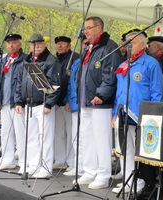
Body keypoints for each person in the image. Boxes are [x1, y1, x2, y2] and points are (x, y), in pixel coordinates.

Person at [111, 30, 163, 194]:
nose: (128, 46)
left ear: (142, 44)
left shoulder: (150, 63)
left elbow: (157, 91)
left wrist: (152, 116)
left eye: (131, 43)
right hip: (123, 114)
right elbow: (119, 92)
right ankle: (128, 179)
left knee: (140, 152)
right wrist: (114, 114)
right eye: (126, 43)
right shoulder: (124, 65)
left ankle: (140, 182)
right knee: (125, 150)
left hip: (141, 116)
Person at [74, 16, 123, 189]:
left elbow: (110, 75)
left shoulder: (109, 47)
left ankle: (103, 174)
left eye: (89, 28)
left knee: (101, 139)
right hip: (86, 99)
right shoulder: (90, 48)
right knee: (87, 137)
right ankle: (90, 171)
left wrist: (101, 94)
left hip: (100, 101)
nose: (85, 31)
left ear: (99, 28)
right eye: (85, 28)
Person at [14, 33, 59, 178]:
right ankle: (33, 166)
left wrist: (49, 103)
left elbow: (55, 84)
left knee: (45, 137)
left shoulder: (51, 61)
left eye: (39, 43)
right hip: (29, 104)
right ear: (29, 45)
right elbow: (20, 82)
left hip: (43, 104)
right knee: (31, 137)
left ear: (44, 44)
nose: (36, 46)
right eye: (33, 44)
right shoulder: (27, 61)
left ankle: (45, 168)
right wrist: (19, 101)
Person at [0, 34, 26, 171]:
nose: (11, 45)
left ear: (19, 44)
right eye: (9, 43)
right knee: (6, 132)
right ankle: (8, 159)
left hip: (16, 102)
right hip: (5, 102)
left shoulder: (24, 60)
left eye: (14, 42)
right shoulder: (3, 60)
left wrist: (21, 100)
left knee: (21, 132)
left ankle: (24, 161)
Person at [53, 36, 79, 171]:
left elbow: (73, 82)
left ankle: (72, 161)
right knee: (58, 132)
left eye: (62, 44)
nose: (60, 46)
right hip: (56, 101)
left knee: (71, 133)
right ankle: (60, 159)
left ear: (69, 45)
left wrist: (69, 100)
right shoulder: (55, 59)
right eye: (58, 44)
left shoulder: (75, 58)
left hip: (68, 102)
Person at [63, 36, 89, 176]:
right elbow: (70, 84)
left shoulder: (90, 62)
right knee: (76, 136)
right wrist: (68, 100)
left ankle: (86, 167)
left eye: (87, 44)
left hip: (86, 104)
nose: (85, 46)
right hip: (74, 103)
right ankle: (78, 165)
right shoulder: (77, 62)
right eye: (84, 44)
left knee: (86, 137)